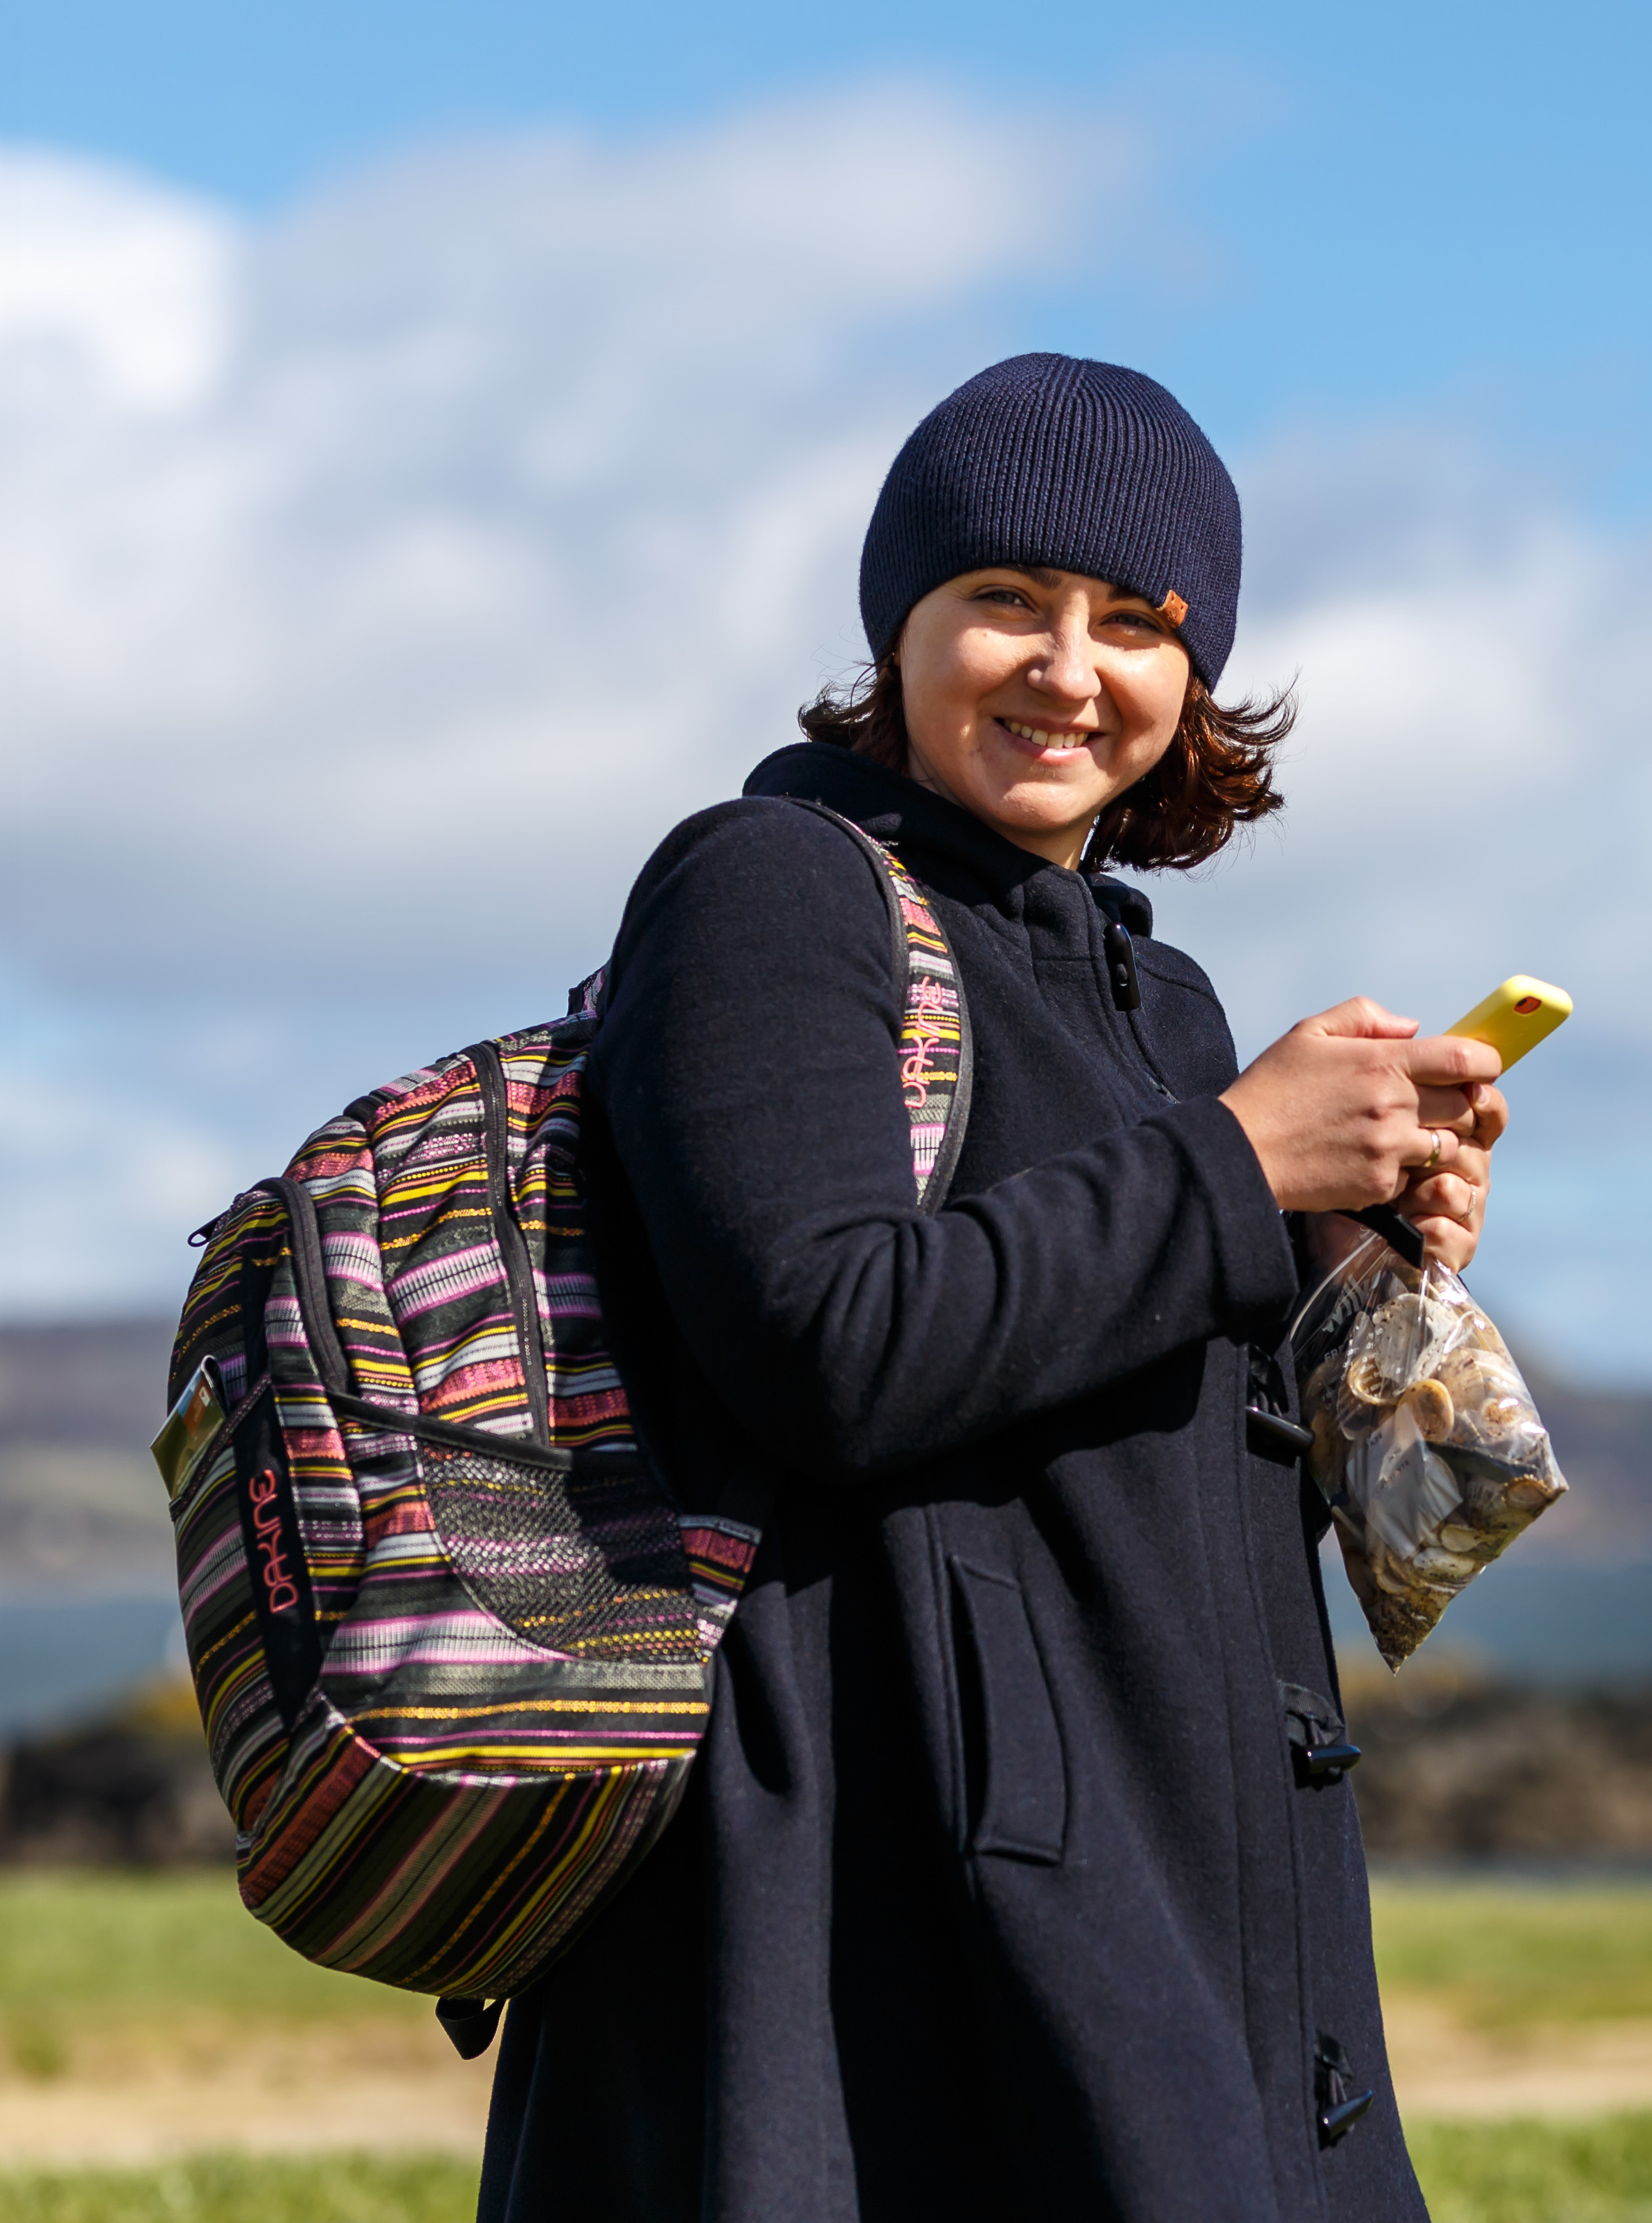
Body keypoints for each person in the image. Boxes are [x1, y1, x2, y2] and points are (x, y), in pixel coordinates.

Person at [475, 355, 1504, 2223]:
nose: (1066, 663)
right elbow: (830, 1339)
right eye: (1005, 601)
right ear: (903, 627)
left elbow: (1142, 1438)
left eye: (1133, 621)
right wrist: (1241, 1161)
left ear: (1194, 679)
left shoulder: (1156, 999)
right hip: (872, 1948)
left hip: (1178, 1927)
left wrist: (1361, 1245)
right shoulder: (766, 888)